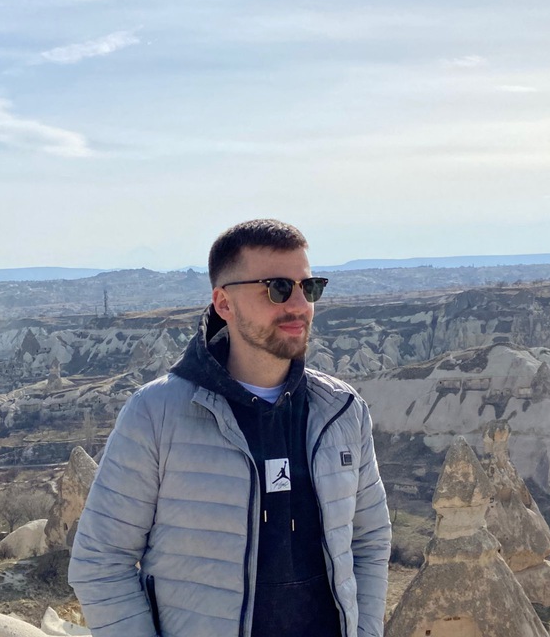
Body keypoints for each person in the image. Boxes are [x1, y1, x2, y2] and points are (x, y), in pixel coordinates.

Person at [69, 219, 391, 637]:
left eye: (309, 287)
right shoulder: (156, 414)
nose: (299, 305)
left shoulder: (342, 411)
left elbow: (369, 541)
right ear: (224, 303)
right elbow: (100, 561)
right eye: (277, 288)